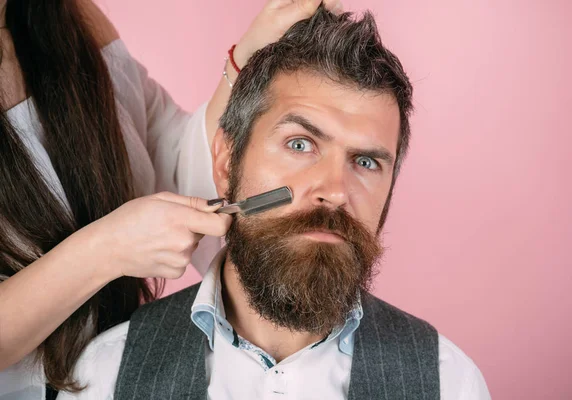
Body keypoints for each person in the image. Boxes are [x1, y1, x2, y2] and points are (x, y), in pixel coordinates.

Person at [59, 6, 491, 400]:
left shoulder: (449, 383)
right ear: (226, 161)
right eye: (300, 144)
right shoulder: (104, 376)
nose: (335, 191)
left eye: (365, 161)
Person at [0, 0, 342, 399]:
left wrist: (245, 58)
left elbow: (168, 160)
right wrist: (106, 249)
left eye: (366, 161)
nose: (334, 191)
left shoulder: (71, 20)